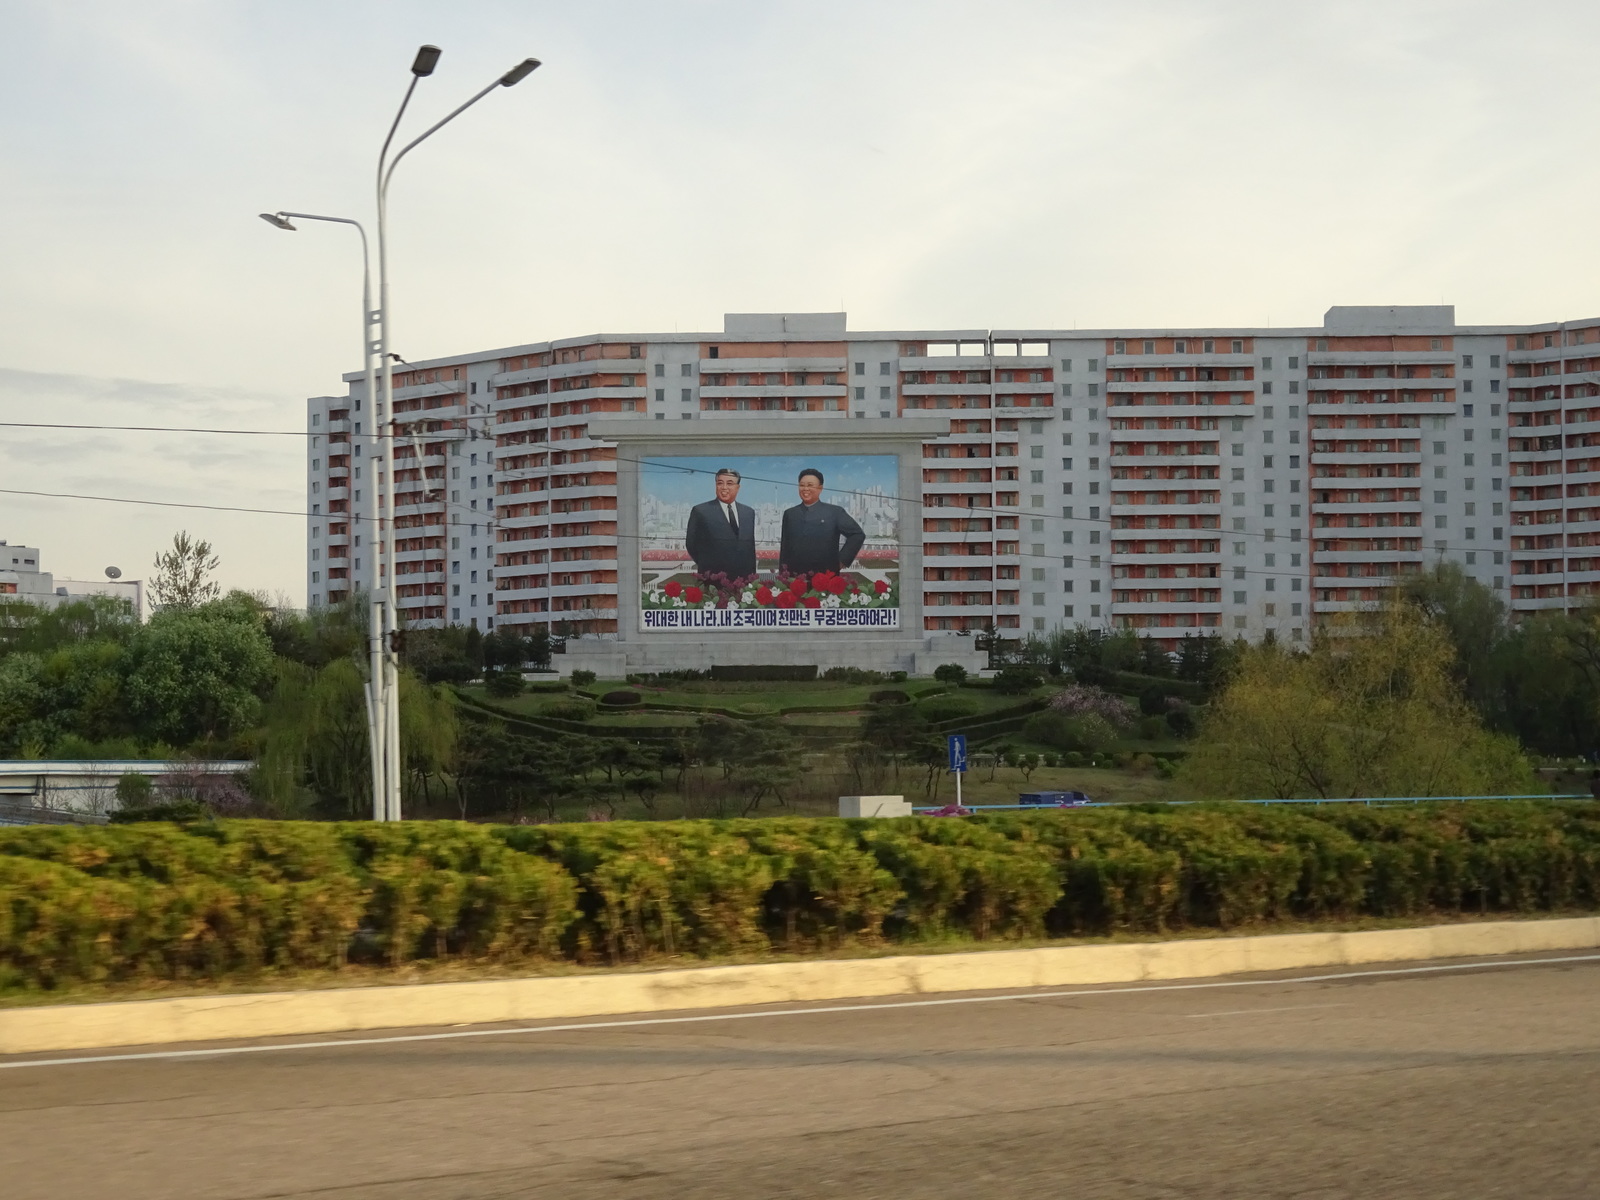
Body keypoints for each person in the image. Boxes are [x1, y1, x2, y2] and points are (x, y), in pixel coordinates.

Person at [778, 467, 865, 575]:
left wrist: (842, 561)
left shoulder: (835, 512)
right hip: (795, 577)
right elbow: (785, 548)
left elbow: (857, 534)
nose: (805, 489)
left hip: (825, 576)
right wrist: (782, 574)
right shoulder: (790, 514)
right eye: (802, 485)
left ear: (820, 488)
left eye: (810, 485)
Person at [684, 467, 757, 579]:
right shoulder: (701, 511)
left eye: (729, 483)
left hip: (744, 581)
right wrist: (708, 565)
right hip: (713, 580)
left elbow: (749, 547)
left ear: (737, 487)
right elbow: (691, 544)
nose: (724, 487)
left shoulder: (748, 513)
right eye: (720, 483)